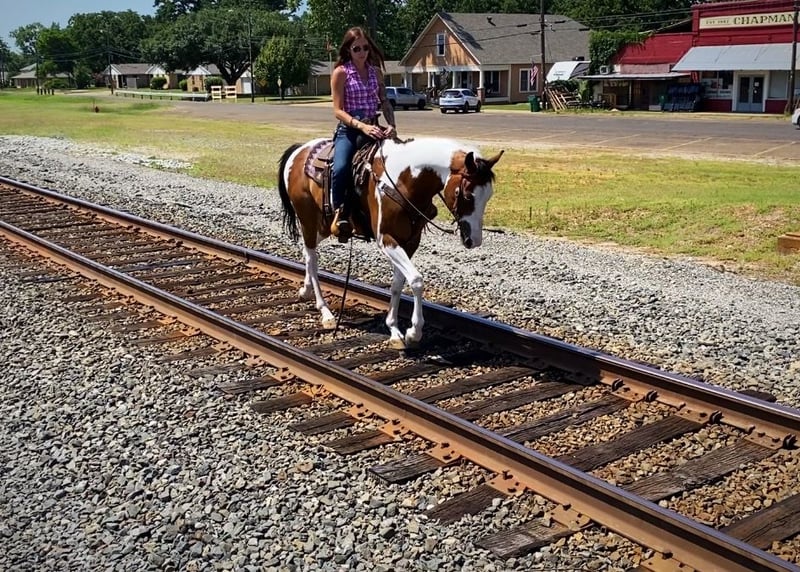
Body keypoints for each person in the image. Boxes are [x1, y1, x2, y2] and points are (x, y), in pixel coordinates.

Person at [330, 27, 396, 239]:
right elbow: (338, 110)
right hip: (349, 131)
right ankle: (339, 212)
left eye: (365, 48)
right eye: (356, 48)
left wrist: (391, 125)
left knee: (397, 160)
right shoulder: (341, 73)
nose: (362, 52)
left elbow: (384, 101)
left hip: (374, 128)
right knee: (341, 168)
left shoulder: (376, 72)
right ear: (348, 50)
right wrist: (361, 126)